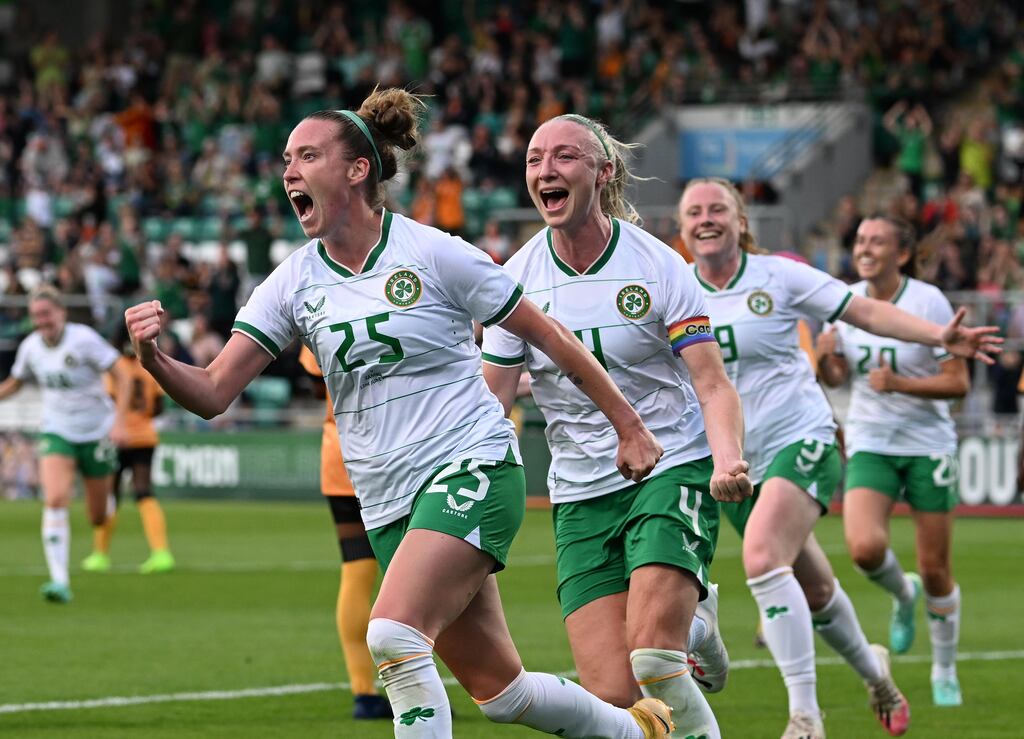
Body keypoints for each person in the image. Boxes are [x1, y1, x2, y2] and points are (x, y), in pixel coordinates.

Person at [125, 88, 676, 739]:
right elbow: (215, 390)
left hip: (471, 466)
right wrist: (155, 358)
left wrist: (629, 424)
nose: (289, 172)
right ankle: (637, 731)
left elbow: (549, 335)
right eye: (285, 160)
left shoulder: (434, 252)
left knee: (391, 632)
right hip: (387, 499)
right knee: (502, 692)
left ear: (358, 169)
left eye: (307, 155)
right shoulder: (293, 281)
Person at [678, 178, 1000, 739]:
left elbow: (866, 313)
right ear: (681, 228)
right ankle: (876, 674)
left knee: (760, 556)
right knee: (815, 589)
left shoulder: (779, 275)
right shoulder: (674, 286)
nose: (706, 219)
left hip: (801, 438)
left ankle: (805, 716)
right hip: (733, 464)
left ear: (741, 220)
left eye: (717, 209)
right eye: (693, 212)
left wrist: (939, 336)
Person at [481, 115, 751, 739]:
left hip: (669, 464)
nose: (545, 169)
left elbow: (711, 383)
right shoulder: (512, 282)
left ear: (603, 173)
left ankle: (685, 627)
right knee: (617, 700)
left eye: (564, 157)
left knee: (654, 658)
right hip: (578, 491)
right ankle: (700, 623)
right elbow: (493, 403)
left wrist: (726, 459)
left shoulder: (660, 265)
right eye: (533, 159)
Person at [816, 216, 969, 707]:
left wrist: (901, 384)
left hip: (928, 445)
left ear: (900, 254)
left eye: (876, 241)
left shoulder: (928, 302)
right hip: (871, 440)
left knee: (938, 568)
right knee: (863, 548)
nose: (864, 248)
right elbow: (839, 378)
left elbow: (958, 383)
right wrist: (825, 361)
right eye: (859, 239)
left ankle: (944, 669)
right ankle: (905, 595)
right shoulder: (845, 302)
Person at [0, 284, 128, 603]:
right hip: (57, 430)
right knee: (55, 498)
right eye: (36, 316)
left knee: (98, 517)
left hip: (97, 431)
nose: (42, 320)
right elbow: (16, 382)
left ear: (62, 312)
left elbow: (122, 374)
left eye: (46, 313)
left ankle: (107, 501)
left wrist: (121, 420)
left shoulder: (84, 339)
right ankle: (60, 581)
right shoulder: (30, 347)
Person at [298, 345, 391, 721]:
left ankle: (363, 692)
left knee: (356, 571)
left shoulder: (322, 308)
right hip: (391, 454)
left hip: (339, 455)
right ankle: (417, 686)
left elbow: (312, 379)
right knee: (420, 576)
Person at [92, 335, 175, 574]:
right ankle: (161, 552)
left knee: (111, 495)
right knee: (144, 492)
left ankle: (100, 554)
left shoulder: (114, 368)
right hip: (145, 437)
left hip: (118, 436)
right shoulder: (149, 366)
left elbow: (109, 400)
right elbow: (158, 406)